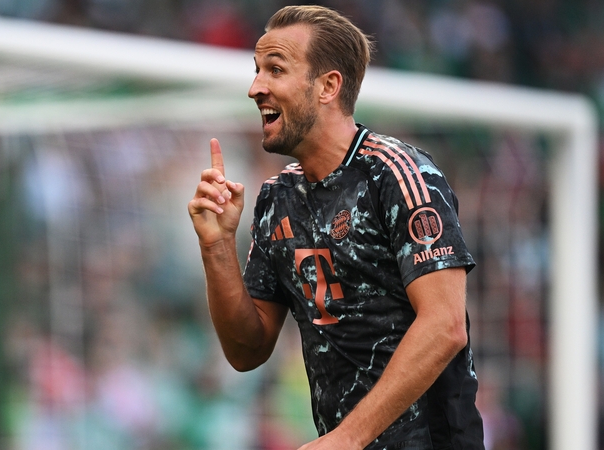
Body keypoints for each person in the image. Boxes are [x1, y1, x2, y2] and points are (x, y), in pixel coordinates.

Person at [187, 5, 484, 449]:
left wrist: (348, 438)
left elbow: (445, 325)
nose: (255, 88)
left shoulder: (399, 175)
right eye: (256, 70)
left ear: (328, 86)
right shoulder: (276, 198)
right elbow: (247, 351)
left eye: (275, 70)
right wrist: (217, 246)